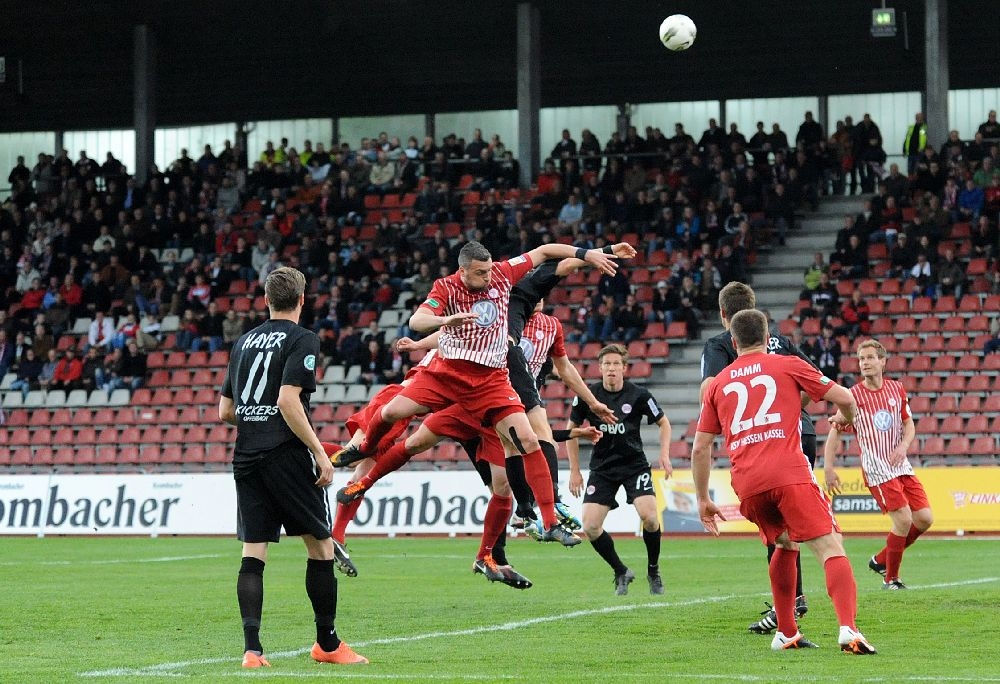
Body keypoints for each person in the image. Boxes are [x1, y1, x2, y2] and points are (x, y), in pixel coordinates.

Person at [331, 240, 621, 545]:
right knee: (392, 413)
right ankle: (363, 456)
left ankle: (546, 522)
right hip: (446, 376)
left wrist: (591, 254)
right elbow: (417, 320)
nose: (488, 277)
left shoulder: (505, 277)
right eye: (481, 273)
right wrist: (445, 321)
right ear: (463, 271)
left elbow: (546, 253)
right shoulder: (446, 287)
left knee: (527, 441)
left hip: (490, 383)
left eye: (489, 270)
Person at [694, 309, 876, 655]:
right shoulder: (787, 364)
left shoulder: (717, 384)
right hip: (788, 472)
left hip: (747, 483)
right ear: (767, 338)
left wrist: (703, 499)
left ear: (733, 342)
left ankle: (786, 632)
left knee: (785, 543)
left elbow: (701, 447)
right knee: (831, 545)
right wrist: (845, 419)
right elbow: (847, 398)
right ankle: (849, 630)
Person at [218, 266, 367, 669]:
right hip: (286, 456)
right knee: (320, 547)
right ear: (302, 300)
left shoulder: (243, 342)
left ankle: (252, 651)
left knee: (254, 553)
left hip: (246, 456)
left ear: (266, 300)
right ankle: (327, 644)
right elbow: (287, 400)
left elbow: (226, 411)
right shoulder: (303, 339)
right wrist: (319, 452)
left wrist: (257, 418)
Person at [699, 282, 819, 633]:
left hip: (763, 442)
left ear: (723, 315)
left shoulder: (720, 344)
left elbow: (708, 391)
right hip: (801, 434)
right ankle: (795, 601)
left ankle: (789, 607)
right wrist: (789, 409)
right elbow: (815, 384)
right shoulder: (779, 340)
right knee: (791, 526)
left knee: (775, 526)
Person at [824, 339, 933, 590]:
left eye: (870, 358)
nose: (865, 363)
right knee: (903, 520)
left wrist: (903, 446)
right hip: (877, 469)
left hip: (900, 464)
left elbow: (908, 424)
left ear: (882, 361)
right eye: (861, 359)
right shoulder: (852, 396)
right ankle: (891, 579)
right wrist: (829, 468)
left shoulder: (896, 389)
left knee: (924, 519)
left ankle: (882, 559)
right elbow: (835, 429)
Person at [566, 344, 672, 596]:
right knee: (590, 526)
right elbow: (571, 431)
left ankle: (653, 571)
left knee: (650, 517)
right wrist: (574, 470)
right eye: (607, 364)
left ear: (624, 368)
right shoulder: (588, 396)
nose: (611, 368)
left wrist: (665, 454)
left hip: (634, 465)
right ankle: (620, 570)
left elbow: (664, 423)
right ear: (600, 368)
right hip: (602, 468)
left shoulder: (639, 395)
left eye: (616, 364)